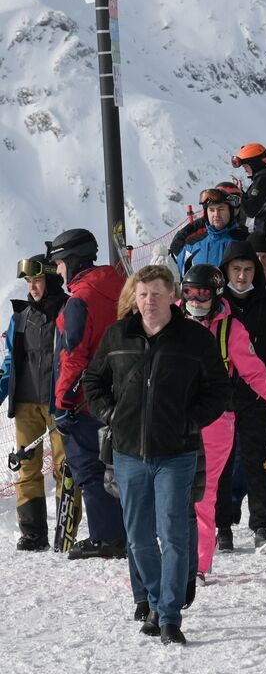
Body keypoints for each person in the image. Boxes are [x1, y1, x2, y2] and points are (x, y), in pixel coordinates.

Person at [82, 264, 231, 646]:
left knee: (173, 533)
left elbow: (217, 389)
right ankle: (150, 598)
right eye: (143, 294)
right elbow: (93, 381)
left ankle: (168, 616)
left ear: (172, 296)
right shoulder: (118, 335)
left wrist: (190, 421)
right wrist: (111, 414)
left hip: (176, 453)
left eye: (157, 294)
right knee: (138, 536)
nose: (149, 302)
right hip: (129, 452)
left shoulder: (193, 339)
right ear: (135, 296)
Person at [179, 264, 266, 580]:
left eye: (203, 294)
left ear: (216, 295)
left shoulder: (230, 329)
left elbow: (252, 369)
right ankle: (171, 556)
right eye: (189, 294)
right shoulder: (170, 323)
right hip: (174, 418)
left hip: (215, 420)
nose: (195, 301)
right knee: (171, 489)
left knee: (204, 491)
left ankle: (198, 563)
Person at [48, 228, 128, 559]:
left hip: (86, 401)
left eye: (58, 263)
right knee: (118, 464)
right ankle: (125, 530)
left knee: (90, 468)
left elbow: (74, 354)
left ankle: (107, 537)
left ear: (72, 260)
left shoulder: (80, 300)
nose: (57, 271)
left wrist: (63, 401)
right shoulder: (121, 287)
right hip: (121, 393)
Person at [214, 241, 266, 553]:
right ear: (226, 271)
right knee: (220, 464)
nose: (242, 276)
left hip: (254, 394)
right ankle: (222, 527)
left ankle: (260, 525)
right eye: (236, 269)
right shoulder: (217, 303)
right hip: (219, 396)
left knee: (256, 459)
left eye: (247, 270)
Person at [1, 255, 68, 550]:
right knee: (26, 467)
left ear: (52, 279)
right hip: (27, 402)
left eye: (37, 281)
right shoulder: (20, 317)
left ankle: (64, 529)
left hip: (58, 402)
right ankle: (33, 532)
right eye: (29, 282)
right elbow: (9, 363)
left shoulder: (68, 310)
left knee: (63, 466)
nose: (32, 287)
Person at [174, 188, 248, 273]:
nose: (216, 214)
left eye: (221, 209)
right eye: (212, 210)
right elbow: (180, 280)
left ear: (230, 212)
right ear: (206, 213)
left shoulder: (245, 241)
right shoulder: (192, 246)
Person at [231, 143, 266, 234]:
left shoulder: (263, 180)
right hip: (265, 232)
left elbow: (251, 210)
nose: (245, 170)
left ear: (254, 165)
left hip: (258, 235)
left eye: (246, 166)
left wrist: (239, 194)